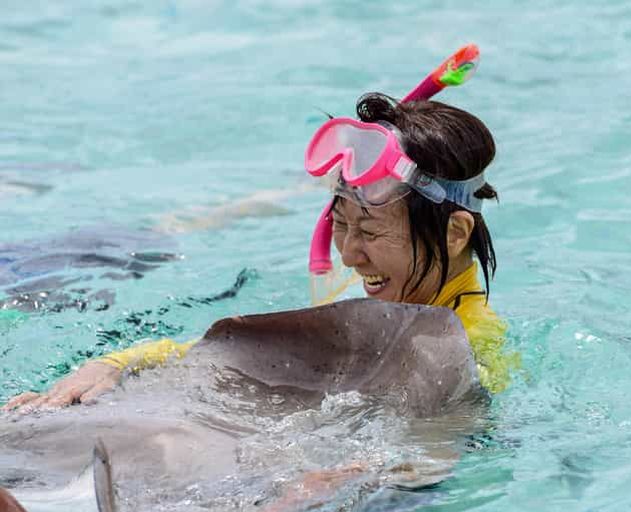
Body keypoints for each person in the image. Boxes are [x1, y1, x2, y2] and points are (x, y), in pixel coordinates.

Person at [3, 92, 516, 414]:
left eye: (371, 232)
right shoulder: (374, 301)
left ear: (455, 234)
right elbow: (244, 357)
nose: (349, 255)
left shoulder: (472, 354)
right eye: (341, 226)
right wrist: (119, 363)